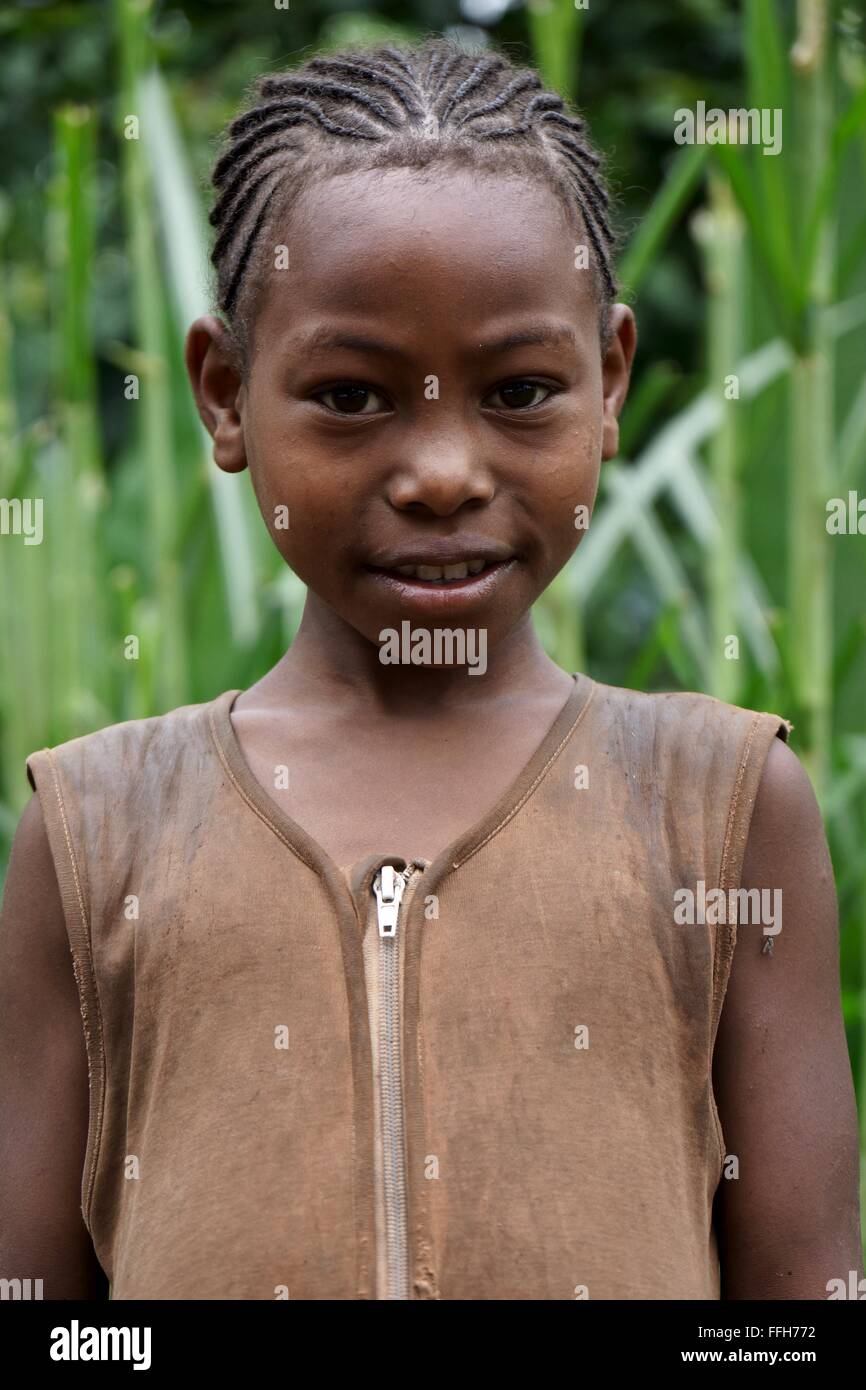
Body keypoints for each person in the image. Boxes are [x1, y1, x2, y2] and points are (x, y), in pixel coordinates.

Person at [0, 37, 861, 1301]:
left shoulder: (721, 810)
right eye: (350, 399)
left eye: (518, 389)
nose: (444, 471)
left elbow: (797, 1303)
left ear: (608, 381)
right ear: (226, 392)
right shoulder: (95, 832)